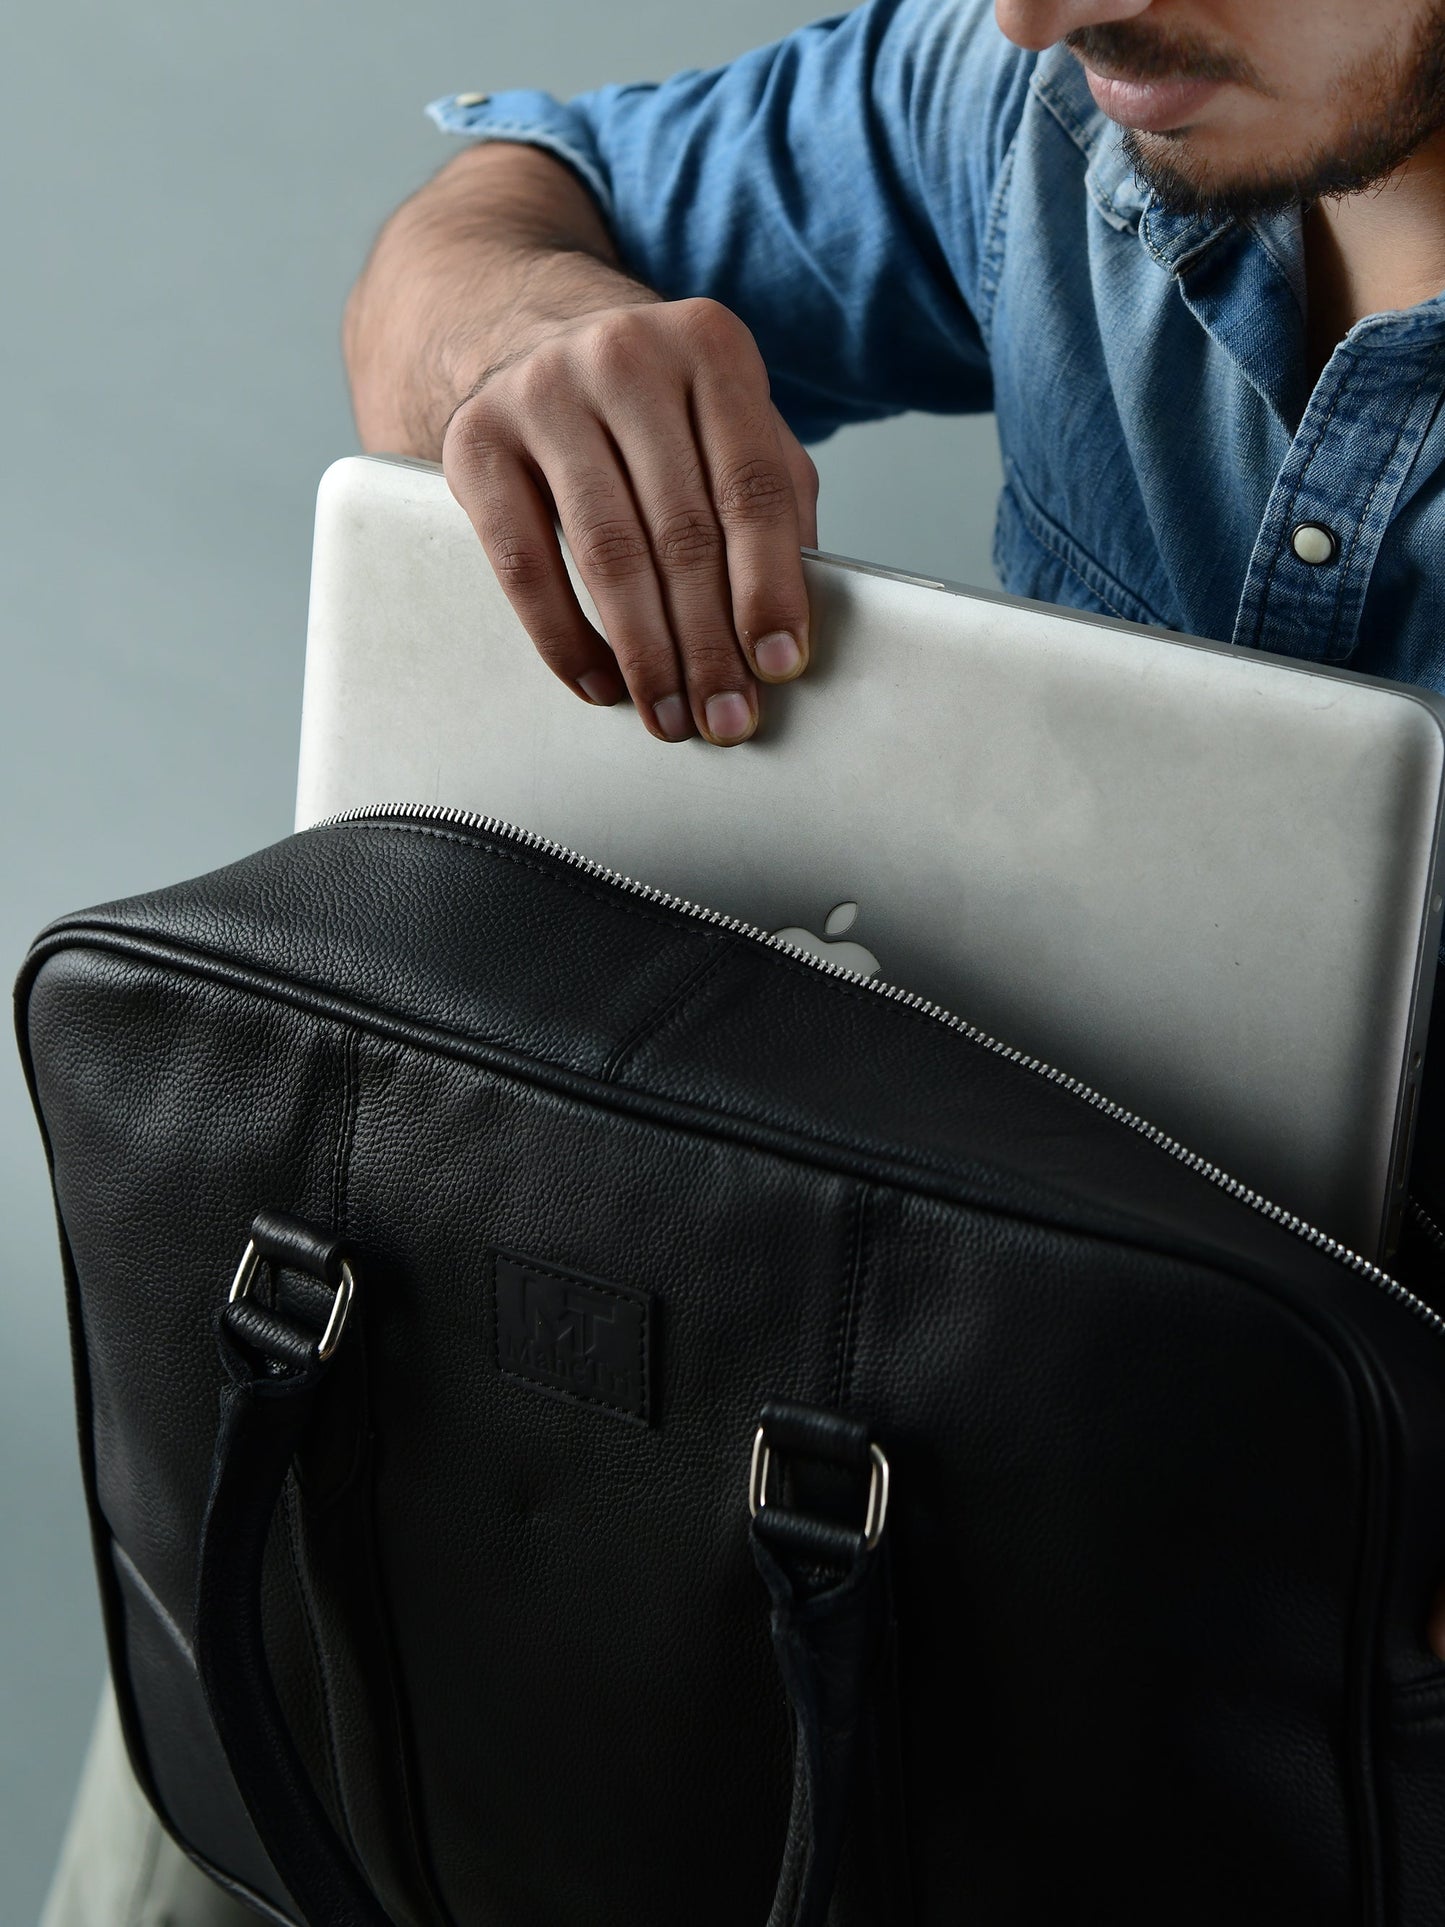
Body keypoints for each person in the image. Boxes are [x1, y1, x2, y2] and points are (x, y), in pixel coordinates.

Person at [43, 0, 1445, 1918]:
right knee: (310, 1576)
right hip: (958, 1397)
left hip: (1303, 1619)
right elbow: (516, 200)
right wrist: (515, 346)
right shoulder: (1039, 96)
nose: (1036, 12)